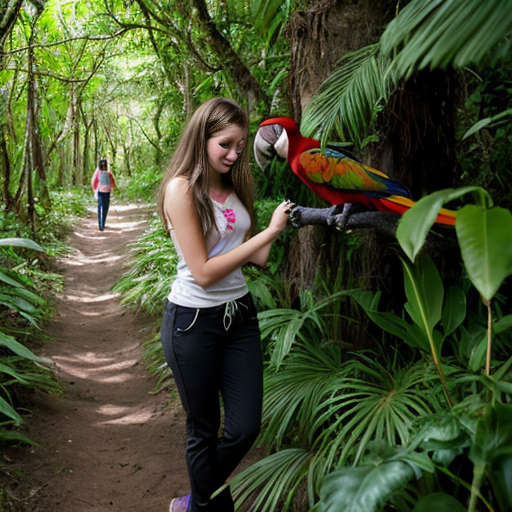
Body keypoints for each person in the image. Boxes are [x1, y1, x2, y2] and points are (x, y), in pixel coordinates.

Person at [157, 98, 292, 512]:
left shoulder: (233, 186)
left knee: (245, 427)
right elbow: (202, 271)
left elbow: (257, 257)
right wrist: (268, 232)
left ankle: (194, 504)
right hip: (192, 322)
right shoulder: (180, 189)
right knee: (204, 428)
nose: (235, 154)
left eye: (241, 144)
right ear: (203, 139)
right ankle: (208, 507)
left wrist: (275, 229)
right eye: (226, 145)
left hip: (240, 316)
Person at [91, 157, 116, 231]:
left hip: (100, 192)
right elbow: (112, 183)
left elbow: (95, 183)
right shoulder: (109, 174)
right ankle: (103, 223)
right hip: (107, 192)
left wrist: (95, 189)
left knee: (100, 207)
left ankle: (100, 225)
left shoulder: (98, 173)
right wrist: (111, 187)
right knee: (105, 207)